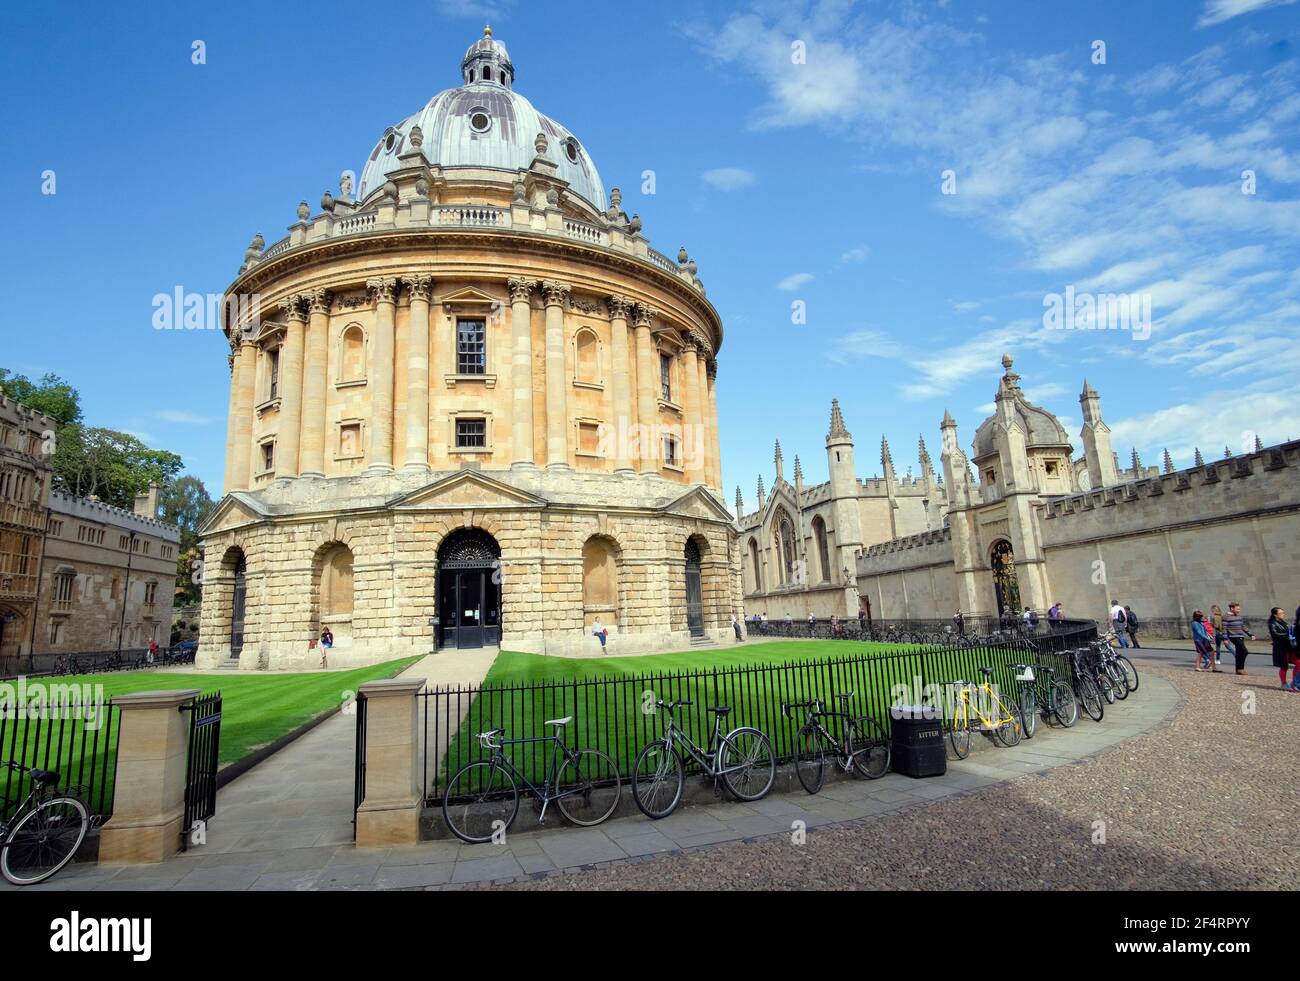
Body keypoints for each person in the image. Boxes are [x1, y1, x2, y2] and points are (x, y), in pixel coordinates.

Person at [1221, 602, 1254, 675]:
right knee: (1244, 651)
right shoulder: (1226, 616)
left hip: (1240, 636)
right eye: (1237, 608)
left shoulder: (1239, 616)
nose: (1239, 610)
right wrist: (1225, 639)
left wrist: (1250, 634)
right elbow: (1224, 628)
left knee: (1239, 653)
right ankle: (1241, 668)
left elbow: (1243, 626)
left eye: (1239, 608)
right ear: (1232, 608)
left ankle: (1238, 670)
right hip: (1233, 636)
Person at [1267, 608, 1295, 690]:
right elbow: (1275, 634)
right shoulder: (1272, 623)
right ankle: (1284, 683)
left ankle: (1295, 683)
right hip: (1281, 647)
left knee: (1298, 663)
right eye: (1281, 613)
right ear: (1275, 615)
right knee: (1284, 666)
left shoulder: (1283, 623)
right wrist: (1288, 635)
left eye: (1283, 612)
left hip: (1288, 647)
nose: (1283, 614)